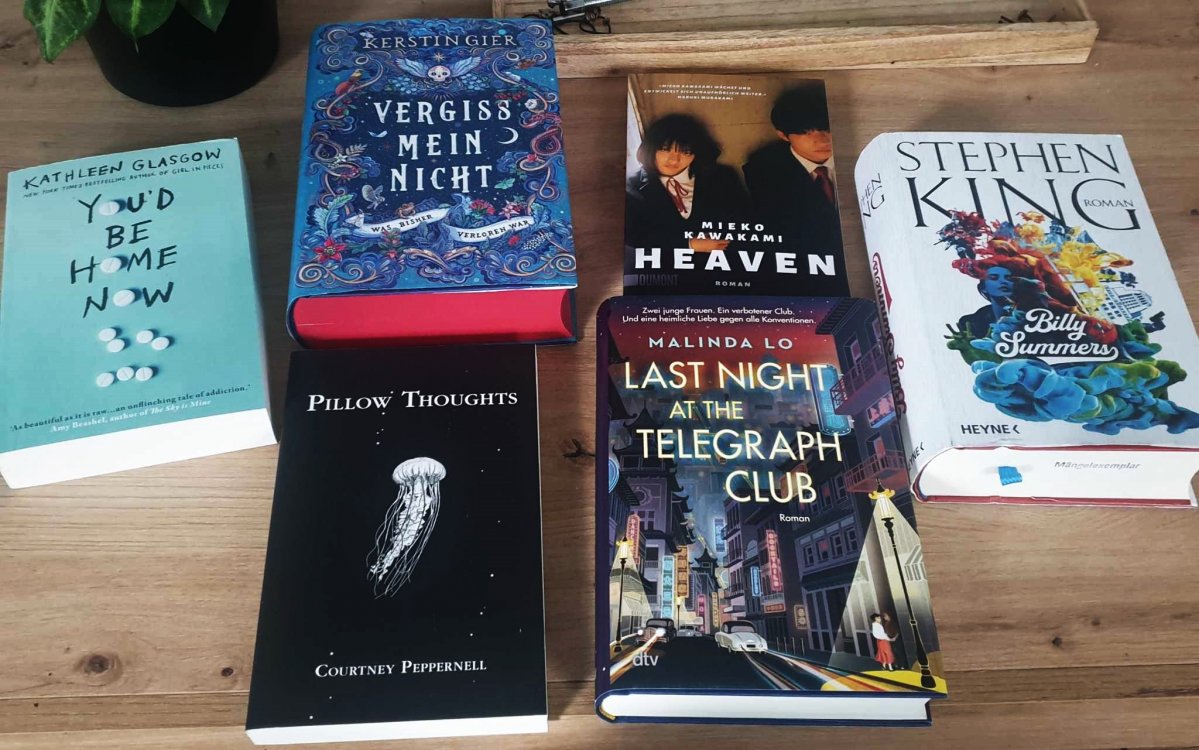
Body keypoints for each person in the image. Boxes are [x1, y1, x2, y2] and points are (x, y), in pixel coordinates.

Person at [742, 84, 844, 275]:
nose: (822, 140)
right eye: (805, 132)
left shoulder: (855, 154)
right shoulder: (763, 170)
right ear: (783, 135)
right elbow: (784, 233)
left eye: (826, 128)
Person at [625, 113, 752, 259]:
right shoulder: (631, 186)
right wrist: (688, 244)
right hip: (666, 265)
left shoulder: (723, 177)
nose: (674, 160)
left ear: (696, 153)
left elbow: (744, 220)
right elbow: (633, 236)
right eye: (665, 149)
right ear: (651, 149)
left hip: (721, 260)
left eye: (685, 152)